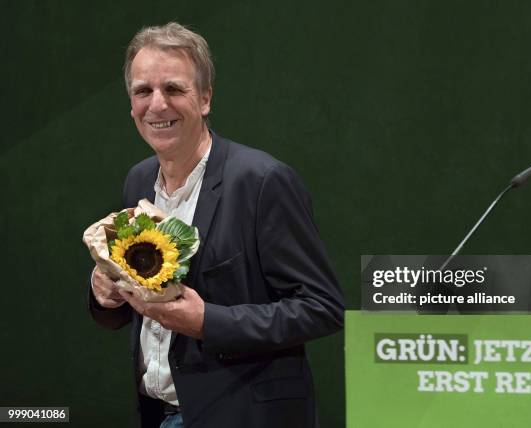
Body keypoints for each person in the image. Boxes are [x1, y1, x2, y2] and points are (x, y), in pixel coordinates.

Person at [88, 22, 344, 428]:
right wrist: (107, 293)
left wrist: (208, 322)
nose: (157, 105)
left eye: (173, 89)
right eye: (143, 91)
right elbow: (140, 304)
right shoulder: (138, 181)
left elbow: (322, 308)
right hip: (157, 414)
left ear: (205, 98)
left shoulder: (262, 182)